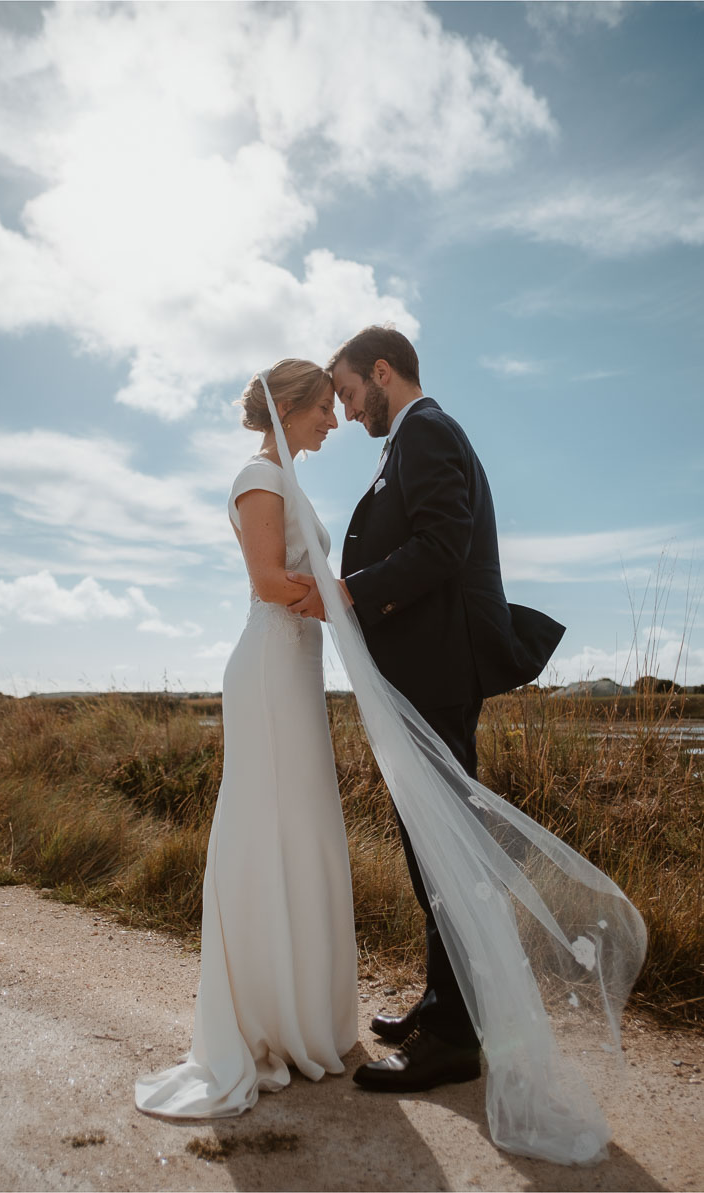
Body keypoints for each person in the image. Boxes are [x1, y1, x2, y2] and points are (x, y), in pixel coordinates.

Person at [292, 325, 564, 1092]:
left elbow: (444, 546)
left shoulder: (429, 432)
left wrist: (350, 588)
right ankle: (447, 1001)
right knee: (431, 846)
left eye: (348, 391)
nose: (345, 410)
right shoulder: (409, 441)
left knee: (446, 850)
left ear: (384, 371)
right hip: (425, 669)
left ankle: (453, 1036)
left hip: (441, 670)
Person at [135, 358, 358, 1119]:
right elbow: (269, 581)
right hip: (268, 671)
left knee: (307, 831)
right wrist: (349, 598)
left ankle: (307, 1012)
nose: (334, 419)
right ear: (289, 405)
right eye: (325, 406)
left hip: (296, 669)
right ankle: (265, 1018)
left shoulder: (288, 479)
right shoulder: (258, 479)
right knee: (271, 830)